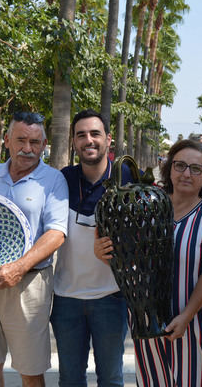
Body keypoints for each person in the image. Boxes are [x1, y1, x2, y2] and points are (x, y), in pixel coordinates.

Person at [95, 139, 202, 387]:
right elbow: (120, 247)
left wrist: (186, 317)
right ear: (169, 169)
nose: (186, 173)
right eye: (180, 165)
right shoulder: (145, 207)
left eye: (196, 169)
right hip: (147, 321)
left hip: (195, 325)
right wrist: (100, 248)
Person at [0, 111, 69, 387]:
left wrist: (19, 268)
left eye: (35, 142)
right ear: (7, 140)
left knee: (30, 373)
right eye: (21, 140)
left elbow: (56, 233)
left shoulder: (54, 180)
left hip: (29, 282)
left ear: (44, 145)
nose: (28, 149)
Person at [51, 109, 132, 387]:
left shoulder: (128, 178)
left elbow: (152, 230)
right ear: (74, 142)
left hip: (111, 298)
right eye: (81, 135)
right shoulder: (63, 179)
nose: (89, 140)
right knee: (70, 379)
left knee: (111, 379)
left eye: (95, 134)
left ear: (108, 139)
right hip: (66, 298)